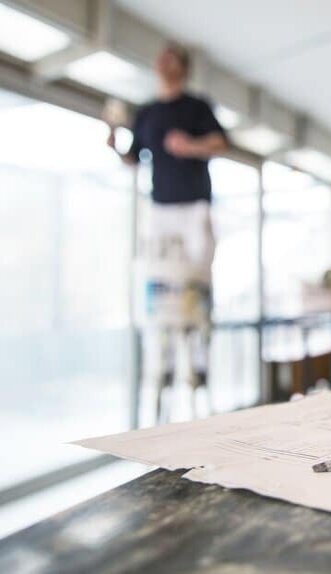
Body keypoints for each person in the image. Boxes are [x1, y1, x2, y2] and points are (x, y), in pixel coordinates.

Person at [108, 42, 228, 421]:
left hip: (193, 204)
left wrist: (190, 145)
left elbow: (221, 143)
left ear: (183, 67)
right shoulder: (146, 112)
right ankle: (162, 360)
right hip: (160, 207)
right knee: (158, 276)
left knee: (197, 277)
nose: (162, 61)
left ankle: (198, 358)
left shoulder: (197, 106)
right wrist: (114, 145)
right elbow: (133, 158)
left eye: (170, 57)